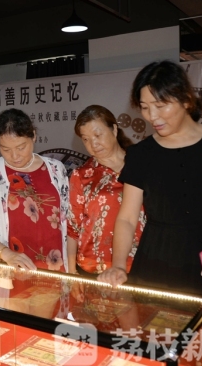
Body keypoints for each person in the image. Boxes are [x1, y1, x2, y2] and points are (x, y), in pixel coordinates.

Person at [98, 60, 202, 355]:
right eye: (145, 107)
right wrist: (118, 265)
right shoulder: (141, 154)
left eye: (160, 105)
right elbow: (127, 218)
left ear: (185, 99)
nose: (152, 116)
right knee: (159, 346)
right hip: (158, 262)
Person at [0, 108, 70, 272]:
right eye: (6, 149)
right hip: (12, 267)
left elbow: (69, 218)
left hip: (56, 264)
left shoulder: (56, 169)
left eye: (21, 147)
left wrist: (72, 266)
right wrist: (6, 254)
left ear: (33, 136)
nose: (15, 156)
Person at [67, 105, 145, 277]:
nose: (93, 144)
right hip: (93, 266)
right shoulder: (82, 175)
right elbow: (73, 227)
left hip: (138, 264)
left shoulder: (140, 165)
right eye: (86, 139)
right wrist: (72, 273)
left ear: (114, 130)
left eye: (98, 135)